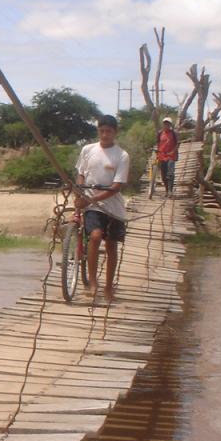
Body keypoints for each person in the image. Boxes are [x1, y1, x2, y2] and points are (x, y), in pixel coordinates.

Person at [74, 115, 130, 304]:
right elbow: (81, 174)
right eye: (102, 131)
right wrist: (81, 193)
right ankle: (93, 282)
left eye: (109, 131)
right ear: (98, 130)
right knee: (95, 236)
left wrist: (92, 199)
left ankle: (108, 286)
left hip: (113, 206)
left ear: (115, 132)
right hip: (92, 205)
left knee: (111, 245)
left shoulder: (122, 155)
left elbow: (116, 187)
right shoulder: (88, 150)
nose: (105, 135)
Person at [156, 117, 179, 196]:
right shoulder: (160, 133)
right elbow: (158, 143)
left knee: (170, 173)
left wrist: (173, 152)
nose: (166, 125)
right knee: (163, 174)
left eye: (168, 124)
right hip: (162, 156)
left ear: (170, 125)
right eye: (165, 124)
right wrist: (157, 152)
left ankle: (170, 190)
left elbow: (177, 144)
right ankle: (166, 190)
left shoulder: (174, 133)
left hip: (171, 156)